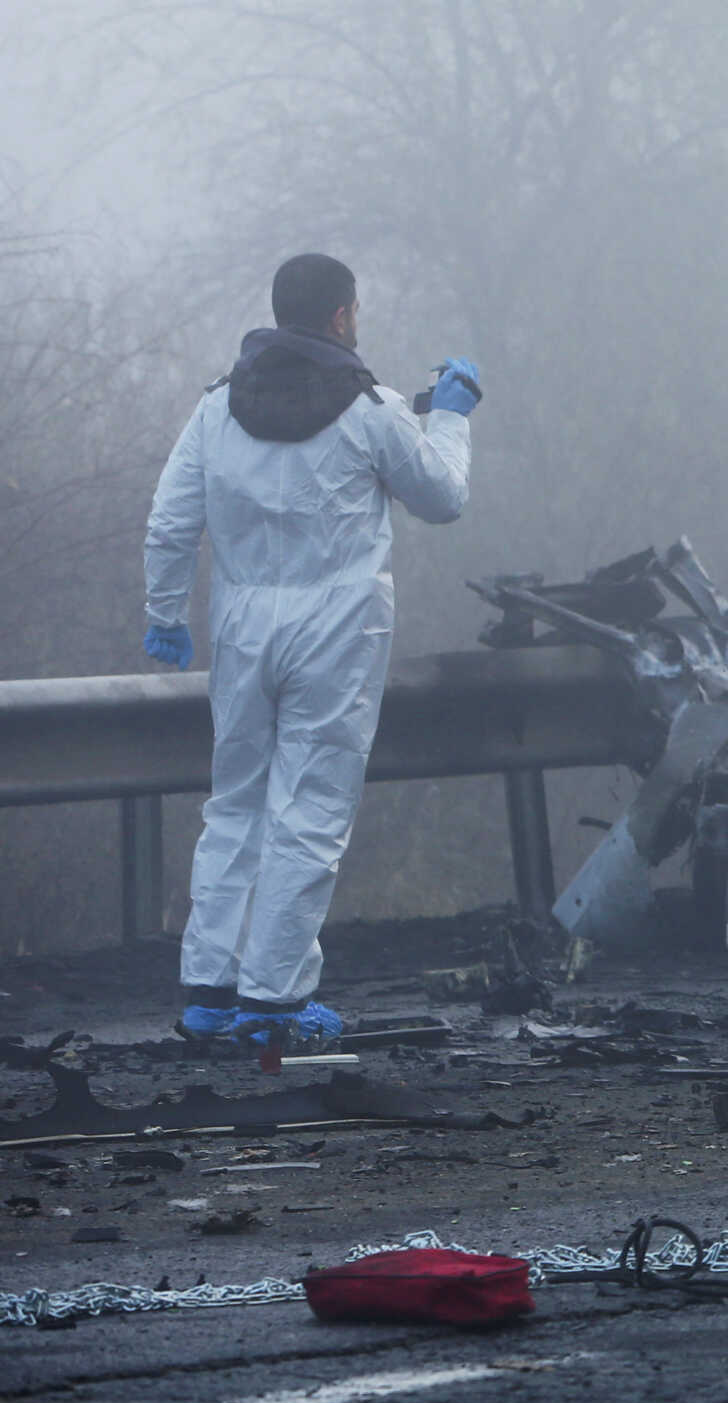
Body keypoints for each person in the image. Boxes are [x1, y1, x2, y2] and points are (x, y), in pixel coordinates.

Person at [144, 254, 481, 1053]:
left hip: (241, 623)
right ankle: (275, 998)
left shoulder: (216, 408)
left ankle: (208, 992)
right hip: (337, 627)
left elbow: (168, 521)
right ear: (340, 317)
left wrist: (165, 614)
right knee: (311, 809)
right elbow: (442, 495)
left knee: (235, 803)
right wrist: (454, 415)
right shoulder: (371, 408)